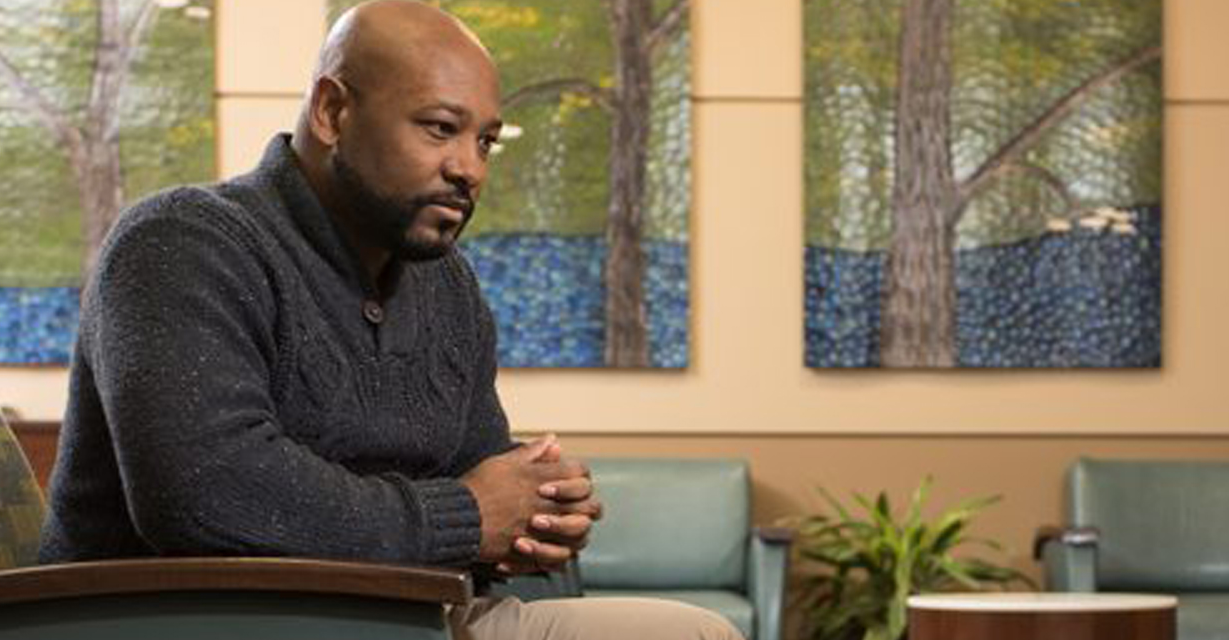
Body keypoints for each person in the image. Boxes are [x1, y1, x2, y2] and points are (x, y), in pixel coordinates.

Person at [37, 1, 740, 638]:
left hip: (403, 618)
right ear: (333, 112)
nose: (471, 170)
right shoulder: (182, 241)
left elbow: (475, 475)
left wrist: (536, 512)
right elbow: (203, 493)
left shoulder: (446, 284)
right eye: (440, 129)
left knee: (692, 631)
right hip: (192, 621)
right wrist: (468, 515)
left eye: (486, 141)